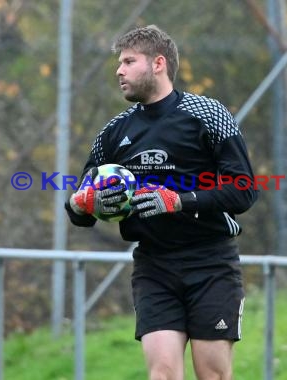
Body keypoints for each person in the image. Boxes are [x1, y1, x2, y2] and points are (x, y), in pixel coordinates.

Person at [65, 24, 258, 380]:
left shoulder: (209, 115)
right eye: (118, 63)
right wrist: (81, 203)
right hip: (154, 267)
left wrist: (179, 200)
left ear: (158, 63)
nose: (118, 71)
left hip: (211, 263)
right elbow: (80, 210)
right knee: (163, 374)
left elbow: (244, 191)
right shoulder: (114, 132)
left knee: (213, 374)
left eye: (128, 61)